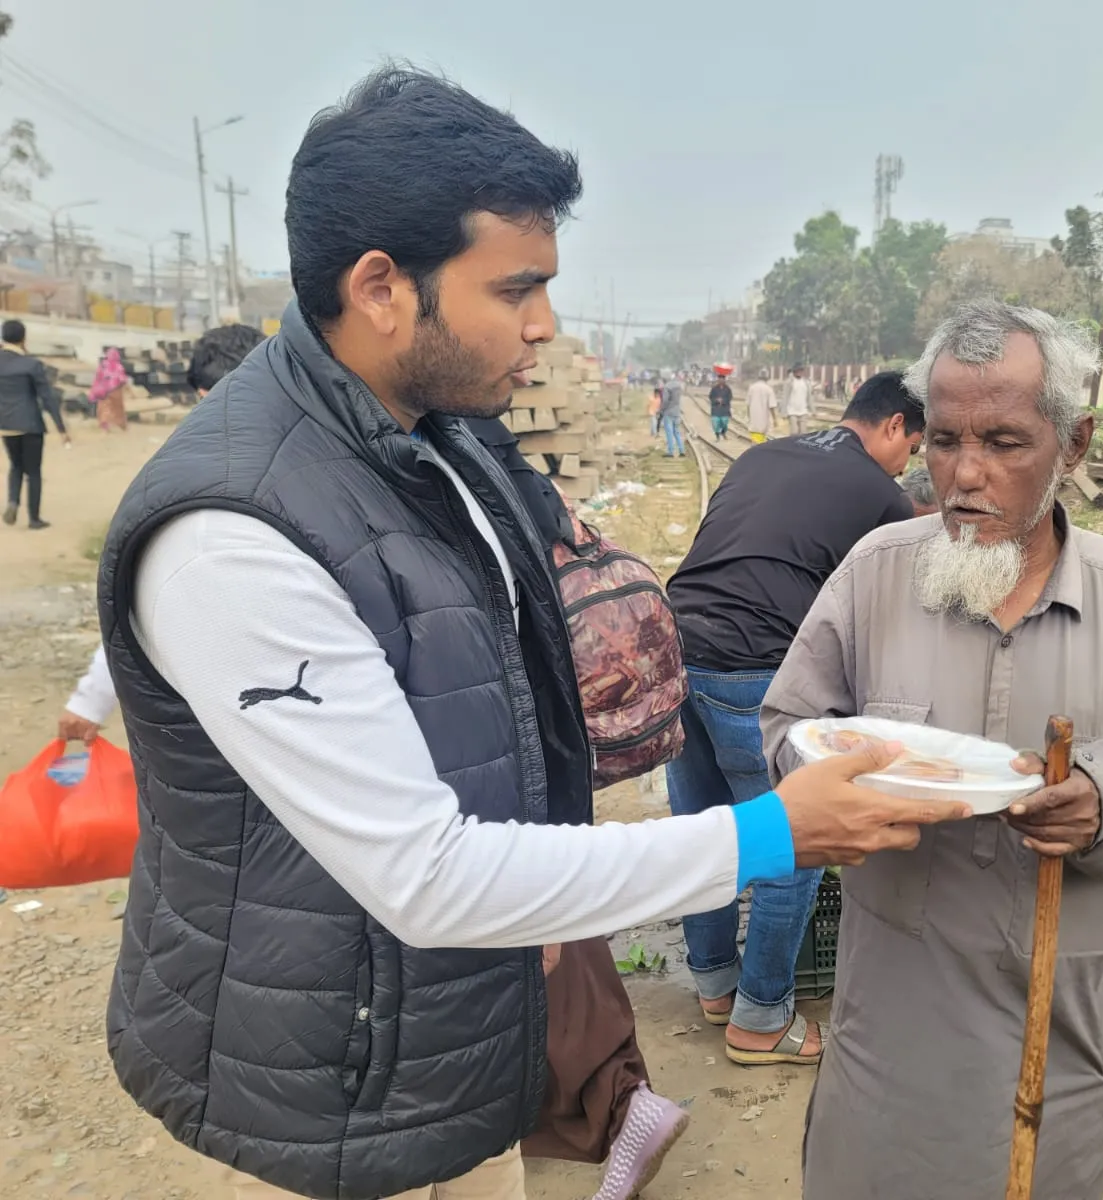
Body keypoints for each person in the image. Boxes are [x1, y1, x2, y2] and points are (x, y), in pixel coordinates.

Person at [95, 67, 969, 1200]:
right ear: (380, 287)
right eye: (517, 288)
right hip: (333, 1077)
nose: (547, 326)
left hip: (450, 1021)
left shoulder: (439, 440)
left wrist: (548, 893)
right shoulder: (233, 533)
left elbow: (495, 694)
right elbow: (420, 874)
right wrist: (767, 836)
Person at [761, 299, 1103, 1200]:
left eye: (1004, 442)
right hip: (888, 1044)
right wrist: (832, 778)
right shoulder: (875, 571)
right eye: (943, 440)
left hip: (1057, 1045)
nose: (964, 476)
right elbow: (788, 727)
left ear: (1076, 443)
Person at [666, 370, 925, 1068]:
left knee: (709, 831)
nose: (910, 464)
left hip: (674, 651)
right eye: (915, 446)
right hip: (752, 668)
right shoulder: (881, 494)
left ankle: (716, 983)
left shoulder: (764, 453)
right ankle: (759, 1020)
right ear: (896, 425)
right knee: (793, 845)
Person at [57, 323, 269, 745]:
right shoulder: (315, 455)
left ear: (199, 394)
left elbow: (144, 599)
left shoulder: (179, 475)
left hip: (213, 719)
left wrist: (89, 701)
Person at [0, 318, 68, 530]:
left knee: (16, 465)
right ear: (23, 338)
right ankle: (34, 518)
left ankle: (12, 501)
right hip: (30, 425)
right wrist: (61, 428)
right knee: (34, 471)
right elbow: (47, 398)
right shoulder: (32, 365)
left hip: (6, 426)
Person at [90, 346, 129, 431]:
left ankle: (104, 423)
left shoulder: (103, 365)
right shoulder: (119, 366)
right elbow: (122, 379)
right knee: (118, 408)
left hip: (103, 390)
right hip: (116, 390)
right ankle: (122, 424)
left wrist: (95, 389)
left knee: (104, 407)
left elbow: (98, 377)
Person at [745, 367, 777, 443]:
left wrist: (749, 416)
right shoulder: (769, 389)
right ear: (767, 378)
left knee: (755, 441)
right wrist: (775, 419)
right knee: (761, 441)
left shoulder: (752, 388)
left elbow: (748, 405)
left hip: (754, 420)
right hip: (764, 421)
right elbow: (772, 406)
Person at [659, 370, 684, 457]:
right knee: (676, 432)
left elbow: (665, 401)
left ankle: (671, 451)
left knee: (669, 432)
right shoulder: (678, 386)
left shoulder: (667, 387)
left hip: (669, 412)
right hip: (677, 411)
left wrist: (661, 410)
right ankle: (682, 450)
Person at [784, 362, 811, 436]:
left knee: (803, 433)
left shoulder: (806, 382)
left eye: (801, 370)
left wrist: (813, 409)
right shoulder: (789, 382)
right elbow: (785, 397)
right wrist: (783, 411)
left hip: (803, 411)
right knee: (794, 432)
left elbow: (809, 397)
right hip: (792, 411)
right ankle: (792, 446)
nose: (799, 372)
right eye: (797, 370)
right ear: (794, 371)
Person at [708, 373, 732, 440]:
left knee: (724, 422)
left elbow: (730, 398)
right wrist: (716, 400)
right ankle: (717, 435)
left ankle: (723, 432)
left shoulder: (728, 389)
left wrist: (723, 400)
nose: (721, 380)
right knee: (716, 423)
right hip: (716, 409)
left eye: (722, 379)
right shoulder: (714, 388)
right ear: (718, 380)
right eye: (719, 379)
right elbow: (710, 397)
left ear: (724, 380)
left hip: (725, 409)